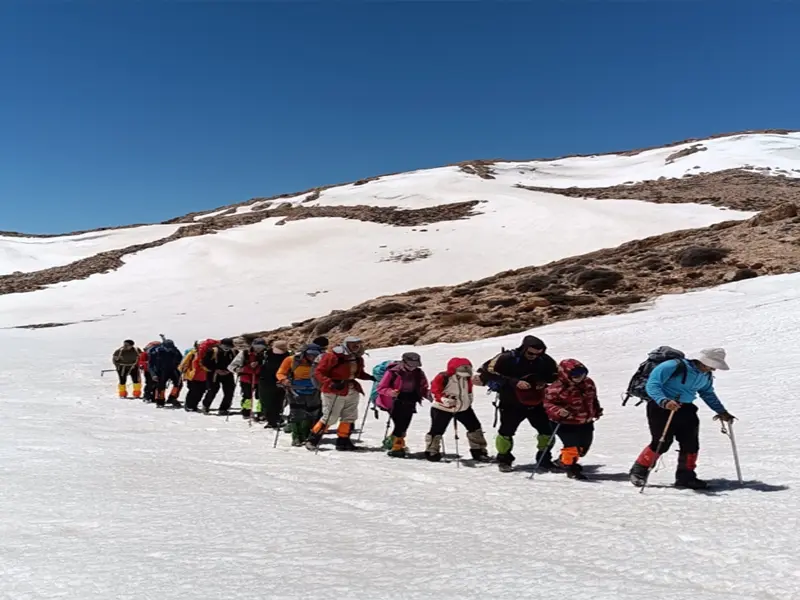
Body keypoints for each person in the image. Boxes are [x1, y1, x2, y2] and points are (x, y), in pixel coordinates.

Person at [629, 348, 735, 490]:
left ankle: (686, 477)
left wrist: (722, 411)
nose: (713, 369)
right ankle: (639, 472)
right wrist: (664, 401)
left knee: (691, 443)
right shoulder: (672, 366)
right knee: (662, 441)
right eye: (712, 366)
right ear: (702, 361)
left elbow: (707, 393)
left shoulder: (706, 375)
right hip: (661, 408)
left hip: (686, 408)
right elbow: (653, 385)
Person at [479, 335, 558, 473]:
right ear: (523, 348)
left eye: (538, 354)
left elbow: (555, 376)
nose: (534, 356)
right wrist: (513, 382)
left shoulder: (545, 360)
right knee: (506, 432)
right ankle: (504, 459)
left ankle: (544, 459)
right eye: (531, 353)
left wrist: (543, 381)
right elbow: (486, 372)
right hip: (511, 403)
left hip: (537, 402)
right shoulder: (507, 358)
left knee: (546, 432)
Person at [307, 336, 375, 451]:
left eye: (358, 344)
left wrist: (370, 377)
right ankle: (313, 439)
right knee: (330, 417)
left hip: (351, 388)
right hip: (333, 390)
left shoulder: (357, 358)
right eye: (353, 344)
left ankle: (343, 441)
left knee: (350, 416)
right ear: (346, 344)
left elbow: (358, 373)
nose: (357, 346)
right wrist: (330, 382)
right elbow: (319, 372)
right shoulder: (333, 356)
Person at [544, 359, 603, 480]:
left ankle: (563, 461)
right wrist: (559, 411)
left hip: (585, 421)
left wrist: (596, 410)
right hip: (565, 422)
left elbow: (593, 398)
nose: (580, 377)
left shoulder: (588, 383)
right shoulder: (556, 388)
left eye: (583, 373)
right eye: (575, 375)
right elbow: (548, 404)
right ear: (566, 374)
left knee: (583, 448)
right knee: (571, 447)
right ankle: (571, 468)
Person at [426, 358, 490, 462]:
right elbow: (435, 390)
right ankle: (431, 451)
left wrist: (468, 400)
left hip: (464, 408)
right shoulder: (443, 377)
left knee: (475, 427)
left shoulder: (467, 378)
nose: (465, 372)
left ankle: (479, 451)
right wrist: (443, 399)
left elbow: (468, 389)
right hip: (442, 408)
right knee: (437, 430)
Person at [376, 352, 430, 458]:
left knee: (404, 425)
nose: (413, 367)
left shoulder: (419, 373)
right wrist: (390, 392)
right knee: (400, 425)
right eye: (411, 365)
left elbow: (422, 387)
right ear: (403, 362)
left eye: (415, 365)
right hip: (394, 402)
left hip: (410, 400)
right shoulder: (393, 372)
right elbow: (381, 388)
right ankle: (397, 447)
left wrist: (427, 394)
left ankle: (391, 442)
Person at [276, 344, 323, 446]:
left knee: (311, 413)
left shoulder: (321, 361)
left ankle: (305, 435)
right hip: (295, 390)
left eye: (316, 354)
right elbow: (280, 373)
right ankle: (296, 437)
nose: (313, 357)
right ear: (304, 353)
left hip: (314, 390)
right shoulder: (291, 360)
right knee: (296, 413)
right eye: (310, 354)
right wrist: (284, 380)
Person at [230, 338, 267, 419]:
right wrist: (239, 369)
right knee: (247, 397)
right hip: (246, 378)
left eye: (261, 346)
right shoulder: (244, 353)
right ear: (252, 346)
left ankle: (260, 412)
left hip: (261, 379)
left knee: (260, 397)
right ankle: (246, 412)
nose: (258, 348)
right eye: (256, 346)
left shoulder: (266, 354)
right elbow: (231, 366)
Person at [201, 338, 237, 415]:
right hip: (214, 374)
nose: (227, 348)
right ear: (220, 345)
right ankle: (206, 406)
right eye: (225, 346)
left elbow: (236, 363)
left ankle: (224, 408)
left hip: (228, 373)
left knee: (229, 391)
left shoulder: (233, 352)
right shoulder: (212, 351)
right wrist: (215, 370)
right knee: (212, 390)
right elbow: (205, 363)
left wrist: (230, 370)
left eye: (229, 346)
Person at [259, 340, 290, 428]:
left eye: (283, 349)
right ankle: (271, 420)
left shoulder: (288, 356)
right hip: (265, 381)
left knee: (279, 401)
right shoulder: (265, 354)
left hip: (280, 381)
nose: (281, 350)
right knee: (267, 402)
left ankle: (276, 418)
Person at [148, 339, 184, 408]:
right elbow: (151, 364)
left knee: (178, 384)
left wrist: (180, 370)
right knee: (160, 386)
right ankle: (160, 401)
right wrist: (153, 374)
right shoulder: (156, 352)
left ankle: (172, 398)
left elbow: (180, 360)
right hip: (160, 371)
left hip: (173, 370)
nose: (169, 349)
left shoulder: (175, 351)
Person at [179, 341, 208, 412]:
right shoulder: (192, 353)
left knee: (201, 391)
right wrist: (183, 371)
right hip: (192, 376)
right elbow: (183, 363)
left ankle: (194, 405)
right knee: (193, 391)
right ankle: (189, 405)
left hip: (204, 376)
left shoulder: (207, 353)